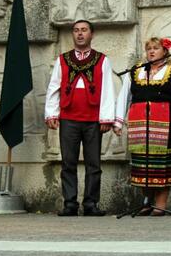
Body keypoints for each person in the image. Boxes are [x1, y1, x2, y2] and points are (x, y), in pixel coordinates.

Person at [44, 20, 115, 216]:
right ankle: (70, 204)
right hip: (68, 118)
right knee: (68, 162)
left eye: (84, 30)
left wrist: (106, 118)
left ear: (92, 34)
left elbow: (108, 89)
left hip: (93, 119)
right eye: (76, 31)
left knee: (94, 163)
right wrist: (51, 113)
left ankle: (91, 204)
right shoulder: (63, 59)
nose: (80, 34)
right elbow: (54, 87)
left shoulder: (102, 60)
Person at [113, 37, 171, 216]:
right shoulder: (136, 72)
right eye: (149, 49)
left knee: (162, 165)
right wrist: (118, 121)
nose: (152, 52)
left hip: (166, 124)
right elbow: (125, 96)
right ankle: (146, 202)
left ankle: (160, 204)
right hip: (140, 125)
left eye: (156, 48)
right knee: (143, 163)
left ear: (165, 51)